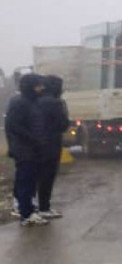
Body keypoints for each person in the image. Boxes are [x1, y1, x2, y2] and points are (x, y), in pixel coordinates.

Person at [4, 74, 48, 226]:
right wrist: (32, 139)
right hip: (25, 150)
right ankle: (25, 214)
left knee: (31, 181)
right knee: (25, 181)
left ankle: (29, 209)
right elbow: (13, 126)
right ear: (30, 86)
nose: (41, 88)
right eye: (38, 86)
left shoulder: (32, 102)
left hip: (33, 149)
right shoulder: (19, 103)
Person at [36, 75, 70, 219]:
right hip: (51, 144)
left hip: (34, 145)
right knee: (47, 177)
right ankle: (44, 207)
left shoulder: (34, 101)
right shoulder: (56, 103)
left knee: (36, 176)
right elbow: (63, 124)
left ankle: (33, 206)